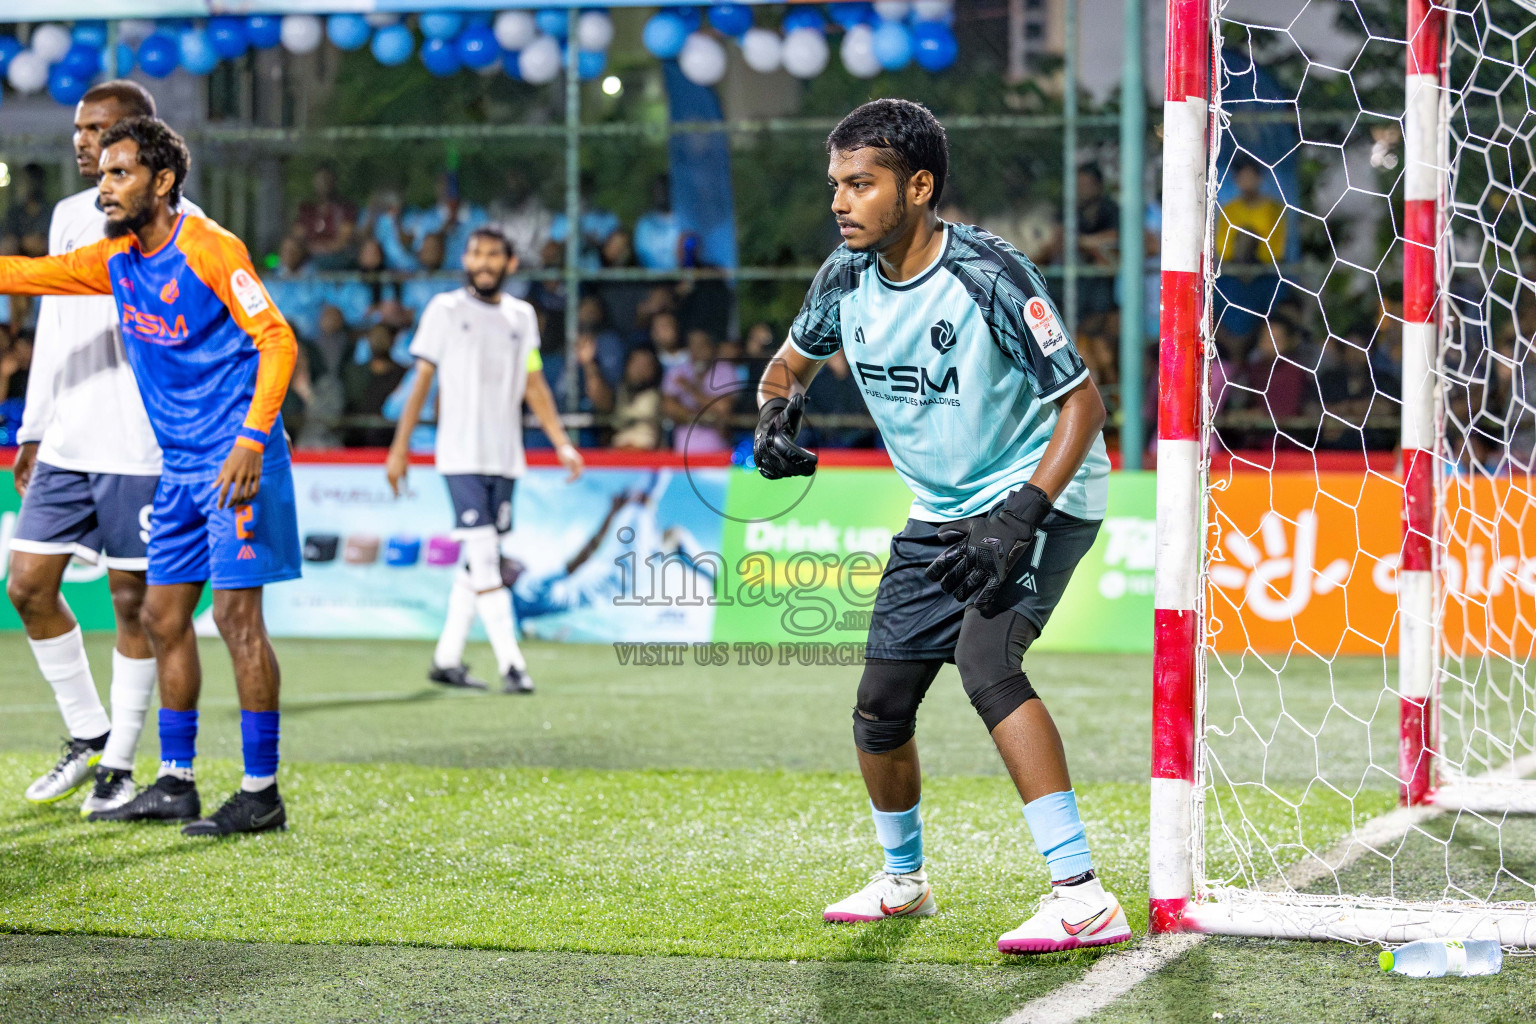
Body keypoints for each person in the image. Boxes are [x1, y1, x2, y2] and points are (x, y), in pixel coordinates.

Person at [753, 99, 1128, 954]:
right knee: (881, 706)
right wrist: (777, 410)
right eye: (836, 185)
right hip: (943, 509)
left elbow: (1084, 406)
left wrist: (1018, 516)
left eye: (862, 184)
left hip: (1045, 489)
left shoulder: (988, 274)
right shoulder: (842, 276)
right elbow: (788, 363)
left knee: (986, 661)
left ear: (918, 186)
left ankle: (1083, 895)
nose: (842, 202)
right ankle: (904, 883)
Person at [0, 116, 302, 837]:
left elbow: (277, 338)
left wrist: (253, 438)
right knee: (162, 618)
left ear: (162, 182)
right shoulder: (115, 260)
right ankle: (177, 781)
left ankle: (261, 791)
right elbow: (26, 273)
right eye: (102, 174)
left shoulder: (209, 248)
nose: (103, 188)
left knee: (236, 619)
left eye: (120, 173)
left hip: (237, 465)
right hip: (179, 471)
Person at [8, 82, 205, 818]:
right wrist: (33, 427)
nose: (80, 140)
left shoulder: (188, 230)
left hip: (142, 446)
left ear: (138, 137)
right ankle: (87, 729)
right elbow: (52, 328)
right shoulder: (69, 216)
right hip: (67, 439)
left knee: (134, 606)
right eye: (77, 128)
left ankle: (118, 763)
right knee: (27, 585)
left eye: (96, 129)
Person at [386, 228, 584, 695]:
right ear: (466, 259)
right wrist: (400, 448)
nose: (483, 262)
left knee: (479, 562)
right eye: (476, 253)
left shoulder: (521, 316)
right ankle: (512, 665)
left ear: (510, 263)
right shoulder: (445, 310)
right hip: (460, 456)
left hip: (506, 458)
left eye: (493, 254)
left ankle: (446, 659)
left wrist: (561, 443)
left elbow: (534, 382)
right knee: (487, 559)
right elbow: (421, 383)